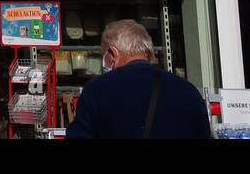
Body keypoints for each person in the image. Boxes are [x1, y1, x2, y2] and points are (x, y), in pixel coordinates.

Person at [66, 18, 212, 139]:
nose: (105, 65)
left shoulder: (96, 90)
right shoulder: (188, 91)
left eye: (105, 58)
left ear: (113, 53)